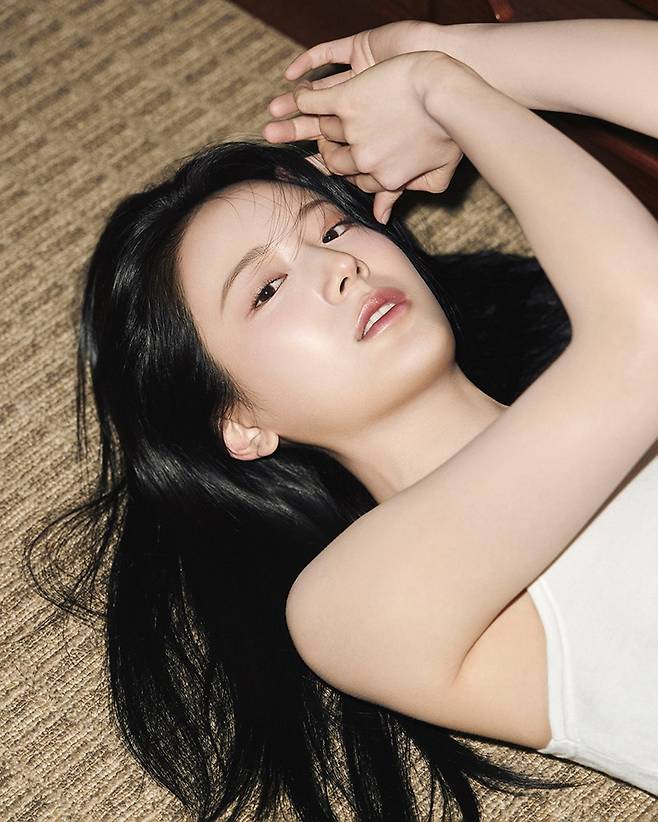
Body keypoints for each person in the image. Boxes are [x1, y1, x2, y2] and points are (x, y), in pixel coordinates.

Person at [25, 18, 658, 822]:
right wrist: (445, 91)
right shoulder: (343, 610)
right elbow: (644, 339)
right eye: (265, 289)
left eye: (332, 228)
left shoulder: (605, 352)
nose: (340, 265)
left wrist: (468, 56)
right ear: (239, 424)